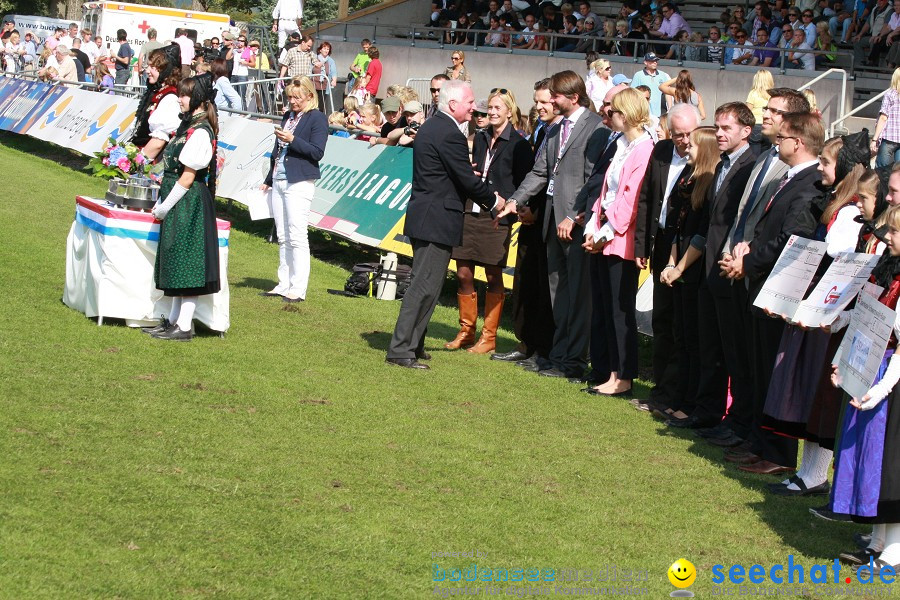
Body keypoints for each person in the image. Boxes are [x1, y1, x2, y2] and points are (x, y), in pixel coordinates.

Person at [386, 80, 506, 370]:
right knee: (423, 285)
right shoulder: (448, 132)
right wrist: (494, 200)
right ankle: (401, 348)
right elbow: (465, 178)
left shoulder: (433, 127)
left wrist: (466, 173)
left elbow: (453, 172)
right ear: (453, 104)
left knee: (427, 283)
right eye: (469, 102)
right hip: (436, 218)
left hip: (428, 215)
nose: (473, 107)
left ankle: (413, 343)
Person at [498, 71, 607, 379]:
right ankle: (557, 357)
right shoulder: (555, 130)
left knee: (577, 298)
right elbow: (541, 171)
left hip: (575, 225)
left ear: (573, 97)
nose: (551, 100)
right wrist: (515, 201)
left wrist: (575, 216)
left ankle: (573, 362)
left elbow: (593, 180)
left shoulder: (594, 128)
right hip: (551, 222)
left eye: (556, 95)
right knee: (557, 294)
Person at [733, 111, 825, 475]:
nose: (777, 143)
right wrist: (747, 249)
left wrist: (752, 258)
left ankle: (778, 454)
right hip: (762, 286)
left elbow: (791, 238)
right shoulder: (790, 179)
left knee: (775, 375)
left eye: (781, 138)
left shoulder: (811, 183)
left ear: (798, 142)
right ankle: (761, 444)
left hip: (780, 290)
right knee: (760, 371)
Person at [446, 88, 534, 354]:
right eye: (490, 108)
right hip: (470, 211)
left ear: (510, 110)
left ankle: (489, 336)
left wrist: (512, 204)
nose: (492, 113)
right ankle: (466, 331)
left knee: (494, 273)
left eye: (498, 108)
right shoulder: (481, 137)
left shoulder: (519, 143)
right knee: (463, 272)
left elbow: (525, 182)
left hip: (498, 216)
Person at [581, 88, 655, 396]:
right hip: (603, 234)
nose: (609, 116)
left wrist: (604, 233)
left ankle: (623, 376)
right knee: (603, 307)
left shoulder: (644, 147)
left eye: (613, 112)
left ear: (625, 114)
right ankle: (608, 370)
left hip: (619, 242)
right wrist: (591, 223)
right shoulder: (622, 144)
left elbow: (631, 200)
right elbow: (606, 192)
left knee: (619, 311)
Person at [632, 102, 701, 411]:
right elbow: (645, 198)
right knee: (661, 320)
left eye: (688, 134)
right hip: (660, 244)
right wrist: (640, 246)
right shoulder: (660, 151)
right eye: (678, 135)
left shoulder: (703, 160)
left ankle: (676, 395)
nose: (683, 141)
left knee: (680, 325)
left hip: (687, 248)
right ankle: (661, 393)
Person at [144, 74, 221, 341]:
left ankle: (184, 326)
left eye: (185, 94)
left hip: (188, 202)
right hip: (180, 200)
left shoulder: (200, 131)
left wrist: (165, 206)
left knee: (188, 263)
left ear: (198, 98)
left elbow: (188, 177)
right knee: (177, 260)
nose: (180, 98)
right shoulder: (188, 126)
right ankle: (174, 321)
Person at [491, 78, 558, 367]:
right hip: (528, 214)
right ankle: (525, 343)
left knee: (544, 287)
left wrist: (537, 211)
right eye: (537, 101)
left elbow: (554, 181)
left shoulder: (562, 133)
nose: (539, 106)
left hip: (547, 218)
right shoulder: (543, 130)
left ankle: (543, 348)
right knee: (524, 282)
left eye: (544, 101)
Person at [658, 126, 720, 417]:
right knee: (680, 337)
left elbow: (701, 235)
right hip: (680, 263)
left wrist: (680, 266)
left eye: (692, 145)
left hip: (695, 270)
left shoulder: (709, 187)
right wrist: (671, 263)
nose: (686, 148)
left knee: (695, 342)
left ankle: (691, 404)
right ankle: (678, 400)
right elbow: (677, 227)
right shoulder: (687, 179)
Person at [260, 76, 328, 303]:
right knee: (283, 235)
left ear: (309, 95)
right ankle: (283, 283)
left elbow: (317, 151)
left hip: (299, 180)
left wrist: (292, 139)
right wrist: (269, 179)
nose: (292, 101)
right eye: (289, 97)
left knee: (297, 235)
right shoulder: (288, 116)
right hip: (280, 178)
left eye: (297, 97)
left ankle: (298, 288)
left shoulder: (317, 118)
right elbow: (277, 151)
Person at [131, 45, 183, 160]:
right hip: (140, 152)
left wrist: (135, 164)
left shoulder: (170, 97)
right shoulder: (156, 92)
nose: (147, 70)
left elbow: (158, 142)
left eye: (152, 67)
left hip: (151, 161)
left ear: (165, 70)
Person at [873, 67, 900, 167]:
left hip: (889, 137)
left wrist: (874, 139)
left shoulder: (890, 94)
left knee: (881, 169)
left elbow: (884, 117)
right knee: (898, 171)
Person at [630, 53, 669, 119]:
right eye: (652, 61)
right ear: (645, 62)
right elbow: (632, 93)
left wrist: (670, 108)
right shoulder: (638, 75)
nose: (655, 63)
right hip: (643, 114)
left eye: (656, 61)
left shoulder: (662, 75)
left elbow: (668, 92)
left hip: (658, 114)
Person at [313, 41, 337, 113]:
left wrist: (334, 80)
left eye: (328, 49)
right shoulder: (314, 58)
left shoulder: (330, 60)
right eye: (324, 48)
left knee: (321, 104)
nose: (326, 50)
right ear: (320, 49)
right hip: (313, 84)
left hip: (324, 85)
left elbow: (334, 71)